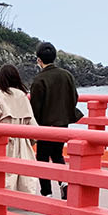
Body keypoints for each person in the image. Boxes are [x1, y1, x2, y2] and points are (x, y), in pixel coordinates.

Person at [28, 42, 81, 198]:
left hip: (44, 126)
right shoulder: (67, 75)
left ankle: (47, 193)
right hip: (62, 123)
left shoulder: (39, 79)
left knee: (42, 157)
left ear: (39, 60)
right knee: (57, 154)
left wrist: (33, 126)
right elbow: (75, 97)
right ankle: (64, 183)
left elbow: (35, 106)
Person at [0, 64, 39, 195]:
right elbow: (31, 120)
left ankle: (5, 197)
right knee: (25, 170)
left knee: (6, 171)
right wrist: (33, 139)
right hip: (22, 138)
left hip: (5, 139)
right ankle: (26, 197)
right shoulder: (23, 96)